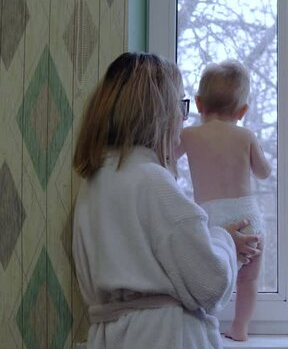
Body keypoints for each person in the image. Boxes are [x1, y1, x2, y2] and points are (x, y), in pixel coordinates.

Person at [72, 52, 261, 349]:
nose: (183, 118)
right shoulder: (154, 183)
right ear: (159, 112)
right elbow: (209, 286)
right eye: (181, 105)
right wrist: (224, 242)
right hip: (165, 337)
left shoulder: (95, 182)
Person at [177, 60, 271, 341]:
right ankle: (240, 328)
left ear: (198, 104)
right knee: (248, 279)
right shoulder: (245, 135)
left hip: (212, 219)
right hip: (248, 216)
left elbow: (165, 161)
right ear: (242, 111)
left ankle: (205, 328)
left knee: (207, 277)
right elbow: (264, 172)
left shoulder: (189, 135)